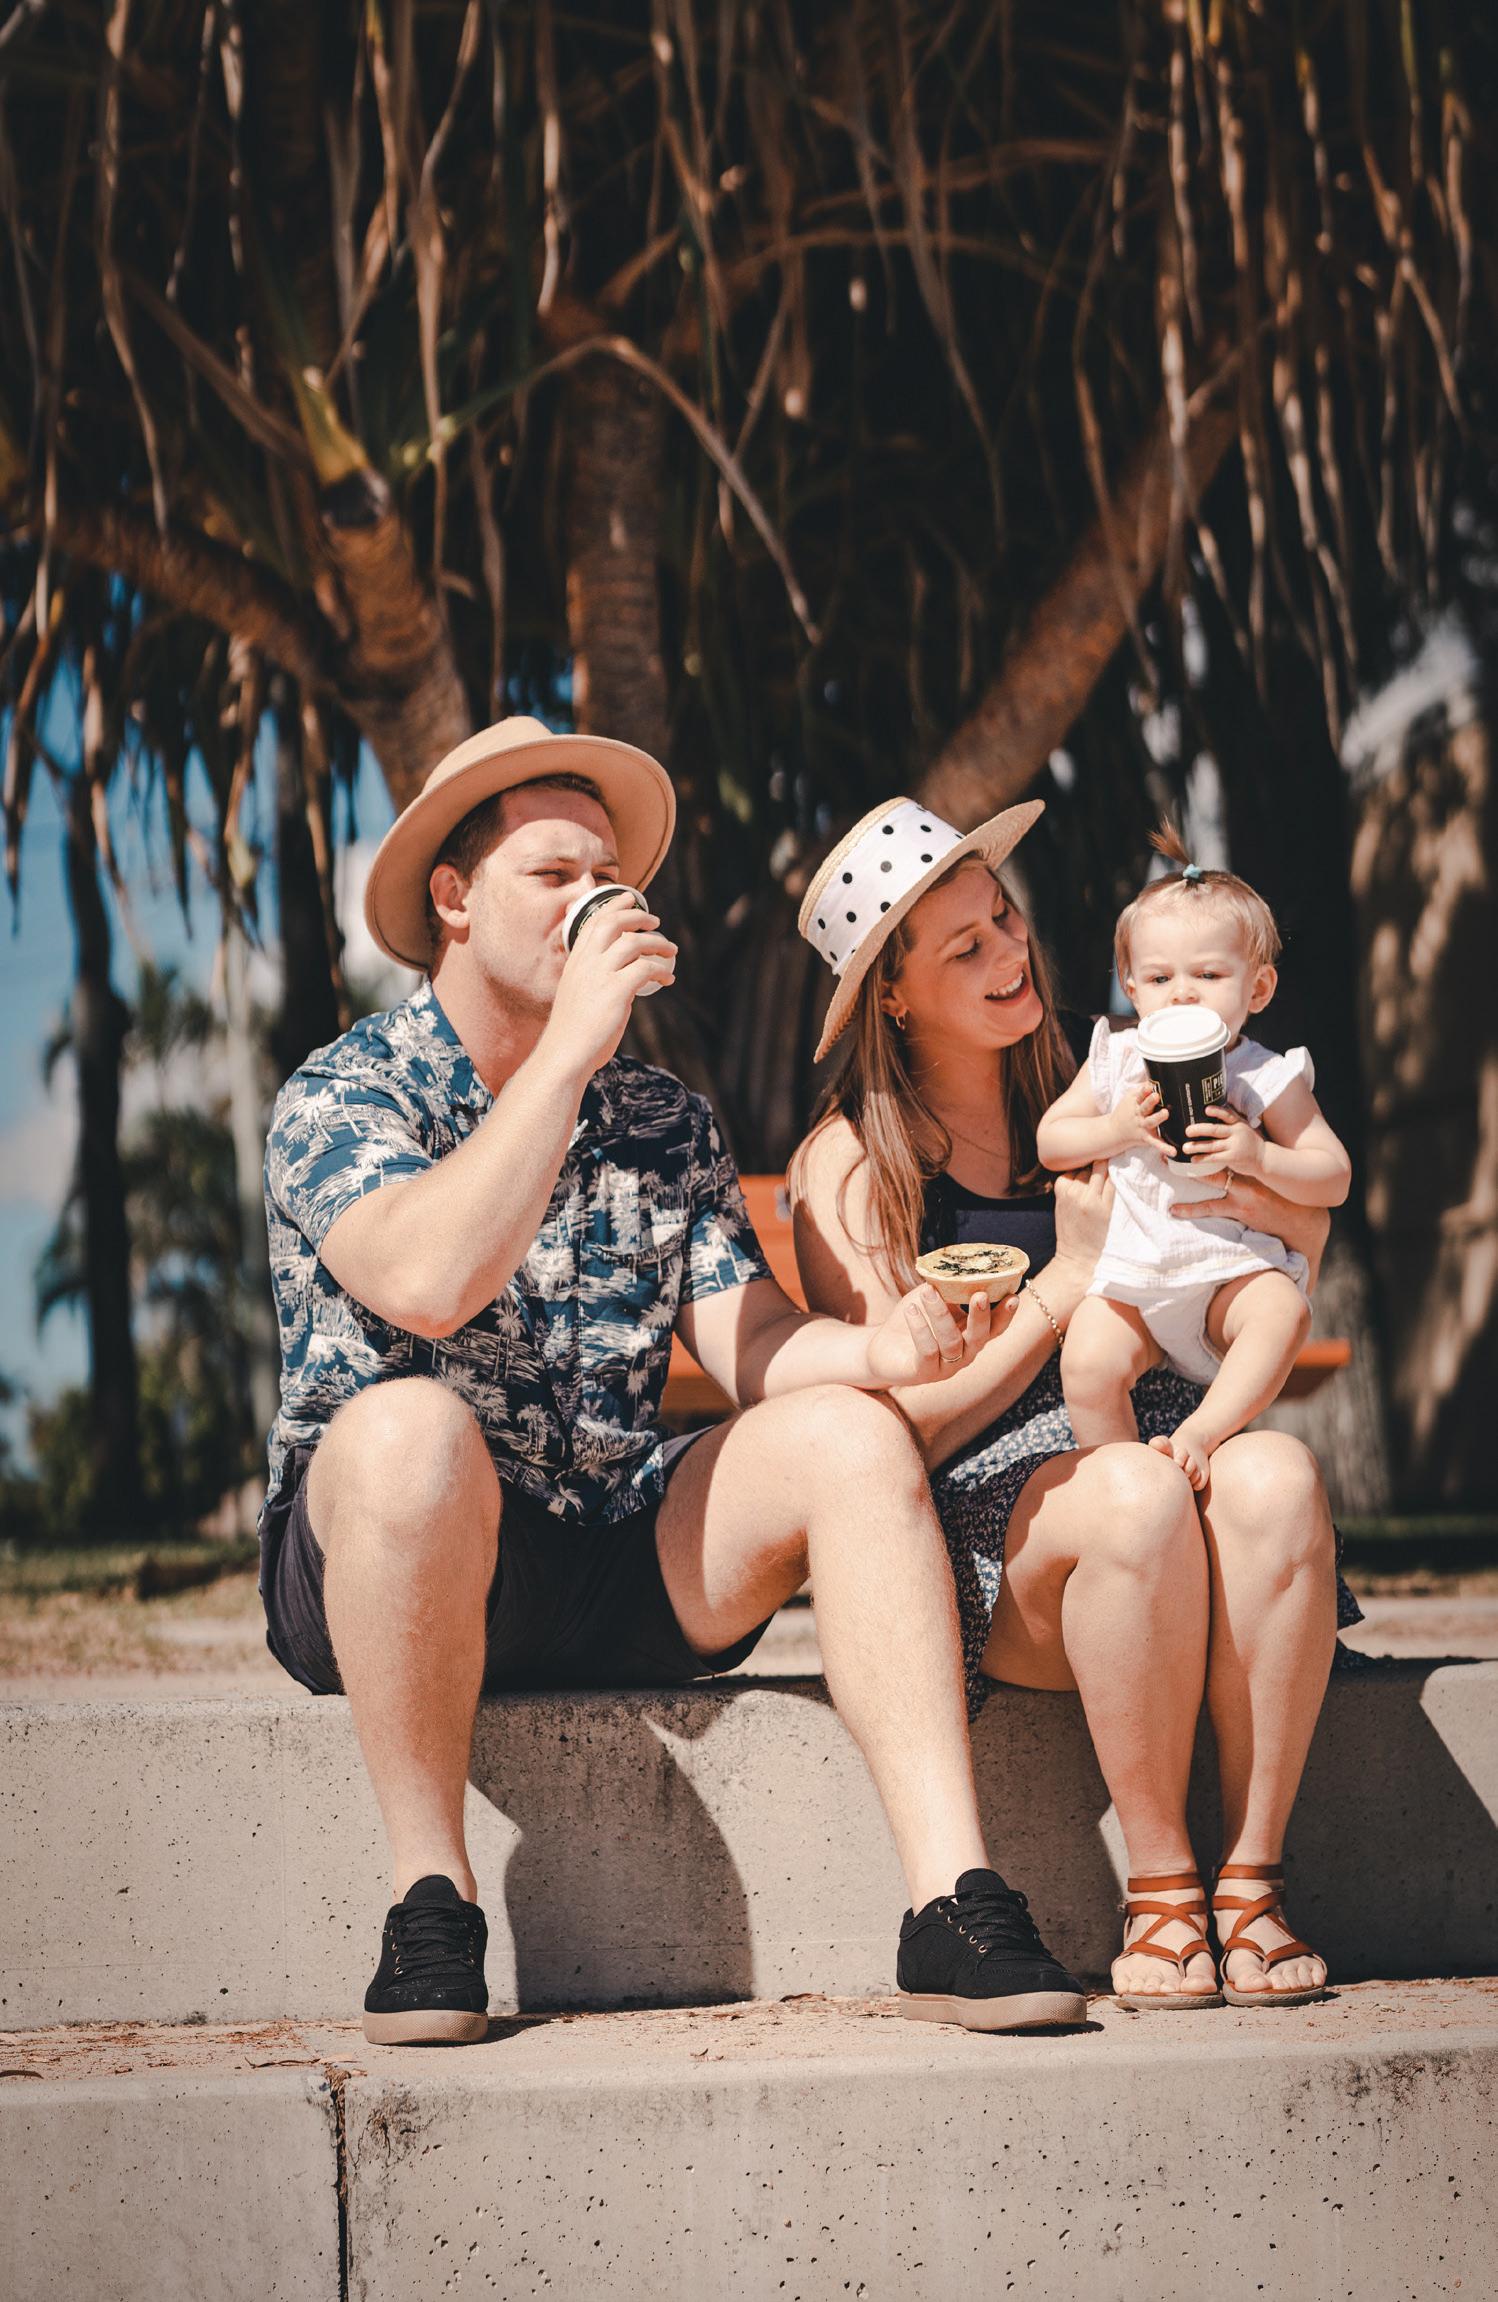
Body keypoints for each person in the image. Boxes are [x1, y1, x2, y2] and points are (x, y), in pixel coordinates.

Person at [258, 717, 1089, 2047]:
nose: (594, 900)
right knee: (409, 1431)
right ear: (454, 898)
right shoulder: (347, 1092)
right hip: (394, 1559)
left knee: (848, 1433)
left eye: (609, 877)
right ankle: (430, 1901)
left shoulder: (660, 1118)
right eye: (553, 873)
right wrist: (566, 1057)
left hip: (613, 1546)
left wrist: (880, 1353)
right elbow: (425, 1280)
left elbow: (750, 1340)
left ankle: (951, 1899)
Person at [791, 796, 1363, 2009]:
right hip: (1007, 1524)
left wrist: (1259, 1200)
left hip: (1172, 1439)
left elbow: (1300, 1222)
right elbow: (884, 1434)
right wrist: (1065, 1282)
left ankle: (1251, 1884)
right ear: (892, 997)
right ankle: (1160, 1894)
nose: (1010, 953)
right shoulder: (851, 1164)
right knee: (1131, 1495)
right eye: (964, 947)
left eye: (1004, 918)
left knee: (1276, 1477)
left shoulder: (1121, 1066)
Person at [1037, 827, 1352, 1490]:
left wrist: (1259, 1157)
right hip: (1134, 1276)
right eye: (1159, 977)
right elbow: (1052, 1141)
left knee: (1283, 1311)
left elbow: (1333, 1176)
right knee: (1088, 1361)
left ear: (1257, 989)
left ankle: (1202, 1434)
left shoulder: (1262, 1075)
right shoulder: (1118, 1060)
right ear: (1132, 988)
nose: (1182, 993)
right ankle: (1123, 1491)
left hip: (1226, 1274)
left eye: (1208, 975)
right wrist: (1116, 1128)